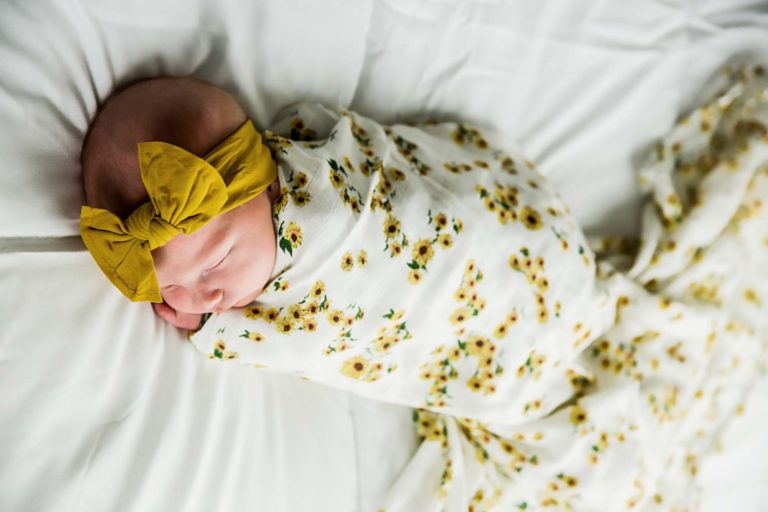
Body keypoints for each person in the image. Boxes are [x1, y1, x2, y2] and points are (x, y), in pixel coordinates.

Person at [79, 69, 767, 511]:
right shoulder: (283, 179)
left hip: (517, 286)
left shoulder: (322, 220)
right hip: (526, 264)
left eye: (216, 262)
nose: (208, 296)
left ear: (263, 174)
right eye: (181, 288)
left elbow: (313, 329)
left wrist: (212, 334)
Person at [81, 77, 281, 329]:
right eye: (169, 287)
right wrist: (201, 324)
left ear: (268, 185)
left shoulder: (317, 187)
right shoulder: (226, 317)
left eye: (216, 261)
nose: (207, 299)